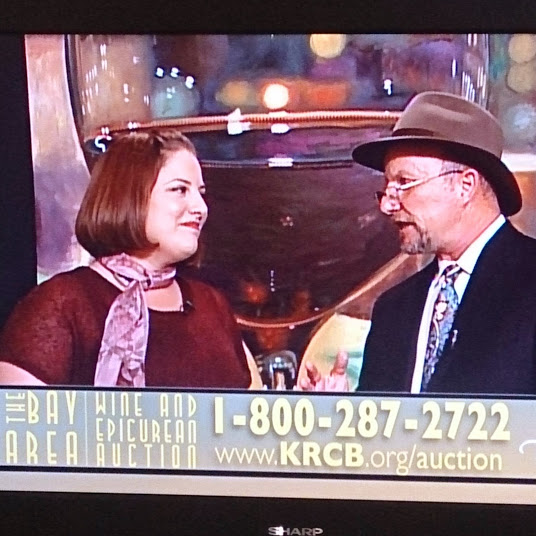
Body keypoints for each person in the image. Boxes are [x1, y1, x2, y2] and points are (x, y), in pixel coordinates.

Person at [302, 91, 536, 394]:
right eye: (386, 188)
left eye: (403, 183)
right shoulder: (394, 310)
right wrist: (347, 416)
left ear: (465, 185)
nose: (387, 204)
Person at [0, 130, 256, 388]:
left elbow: (249, 417)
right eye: (179, 189)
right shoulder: (63, 304)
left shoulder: (212, 305)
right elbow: (17, 421)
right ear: (129, 195)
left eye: (200, 192)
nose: (200, 208)